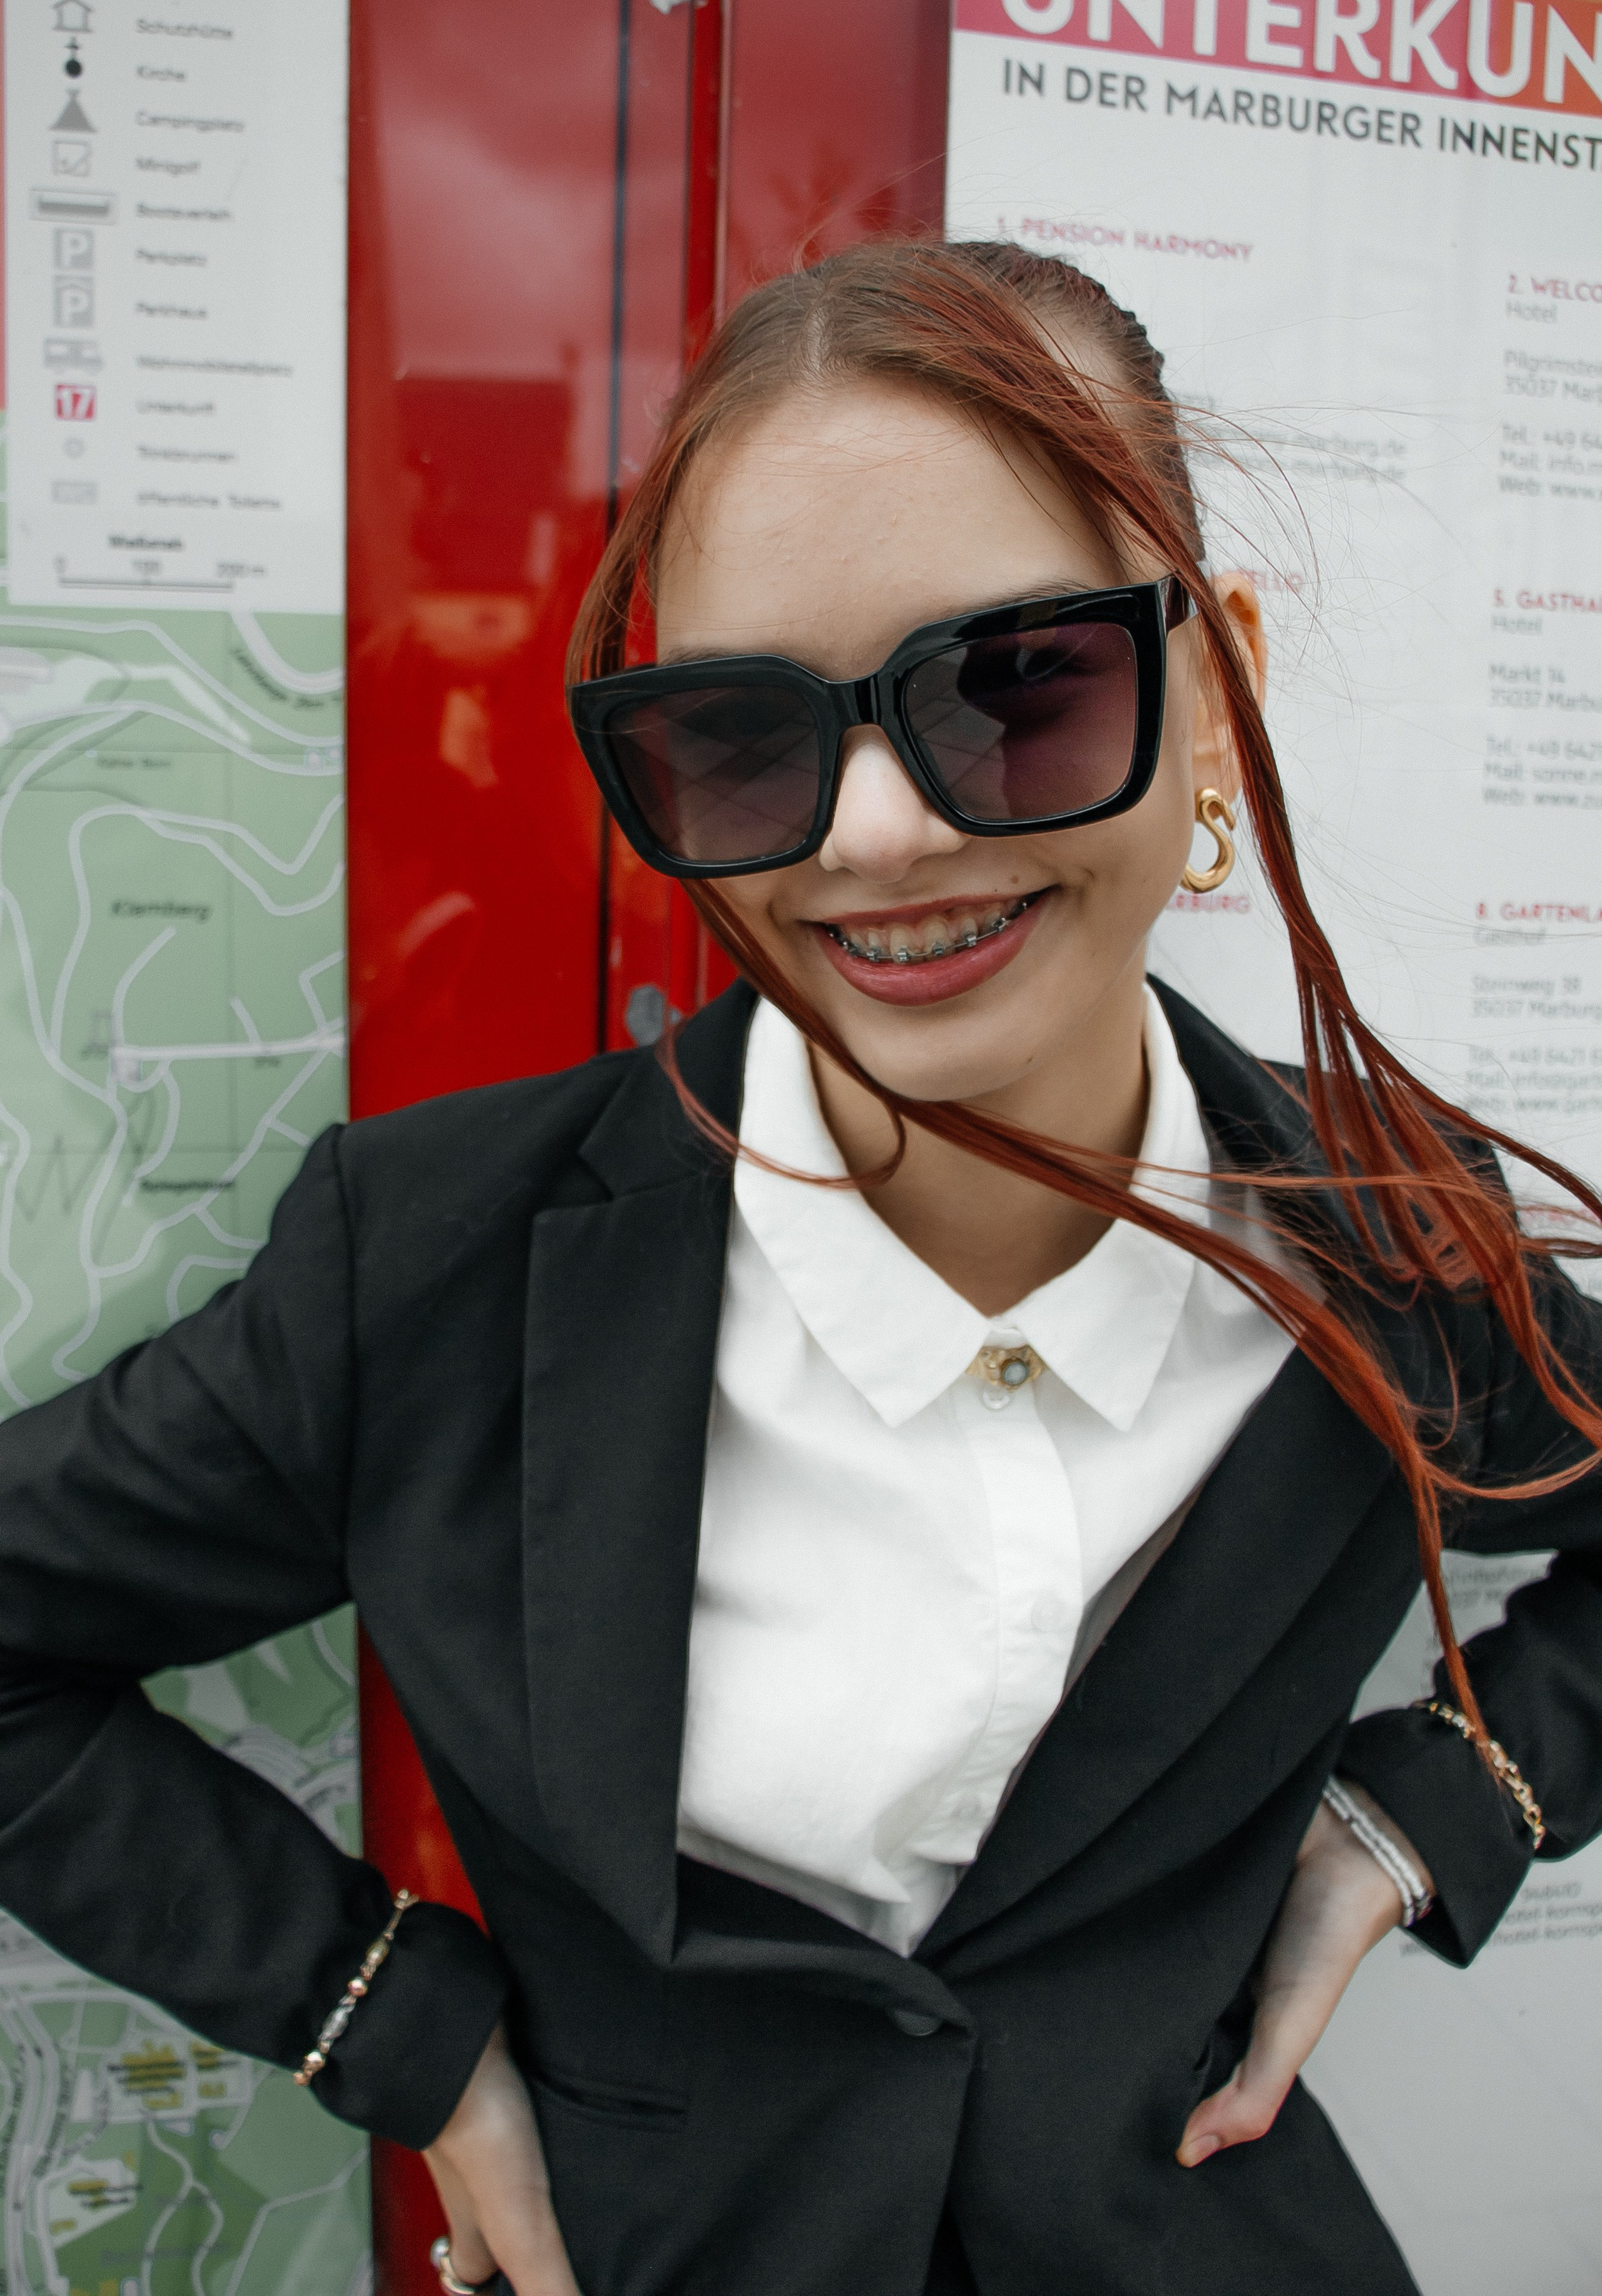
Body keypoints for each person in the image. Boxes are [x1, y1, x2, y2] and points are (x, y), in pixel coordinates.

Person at [1, 242, 1599, 2296]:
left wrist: (1426, 1822)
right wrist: (397, 2029)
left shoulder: (1383, 1237)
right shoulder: (436, 1268)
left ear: (1219, 693)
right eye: (745, 738)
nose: (868, 836)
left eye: (1019, 688)